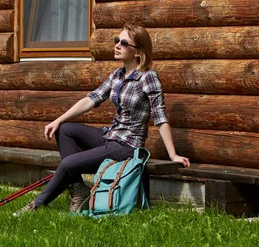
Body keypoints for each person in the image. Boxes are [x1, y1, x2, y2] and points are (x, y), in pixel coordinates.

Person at [13, 23, 190, 216]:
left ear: (138, 52)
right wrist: (57, 120)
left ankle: (36, 205)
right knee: (64, 129)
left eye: (124, 43)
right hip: (110, 136)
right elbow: (91, 99)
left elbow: (160, 117)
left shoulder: (148, 78)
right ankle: (78, 190)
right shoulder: (117, 75)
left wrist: (173, 155)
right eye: (117, 41)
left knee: (68, 164)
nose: (117, 45)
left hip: (127, 146)